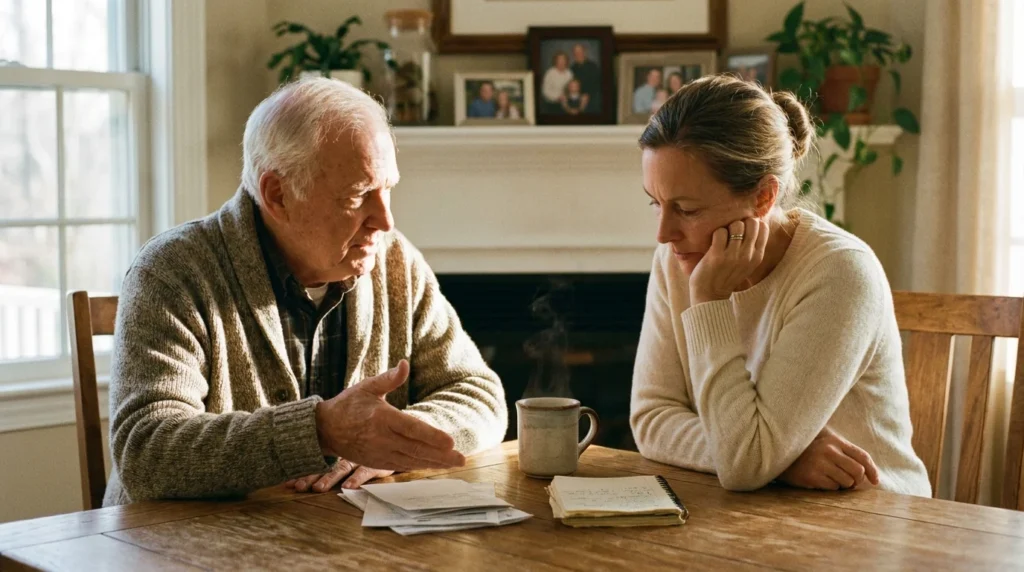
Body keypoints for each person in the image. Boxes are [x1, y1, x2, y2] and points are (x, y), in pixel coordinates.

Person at [105, 78, 508, 505]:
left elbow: (480, 395)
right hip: (181, 552)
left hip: (337, 545)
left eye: (387, 189)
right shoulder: (172, 271)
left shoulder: (395, 263)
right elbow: (146, 451)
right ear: (277, 195)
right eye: (358, 195)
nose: (385, 221)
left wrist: (394, 444)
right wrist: (319, 429)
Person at [629, 74, 930, 496]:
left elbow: (746, 463)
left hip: (872, 520)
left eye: (687, 209)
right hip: (763, 510)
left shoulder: (841, 273)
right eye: (656, 203)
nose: (664, 233)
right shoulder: (677, 258)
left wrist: (709, 301)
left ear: (764, 197)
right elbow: (652, 417)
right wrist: (782, 460)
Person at [570, 43, 601, 112]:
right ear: (574, 55)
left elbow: (597, 84)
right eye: (576, 53)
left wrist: (588, 94)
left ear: (584, 52)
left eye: (580, 52)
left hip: (592, 95)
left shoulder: (593, 66)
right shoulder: (572, 68)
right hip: (576, 96)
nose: (578, 54)